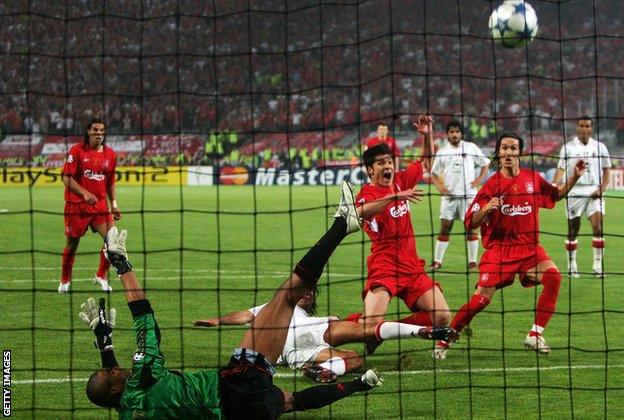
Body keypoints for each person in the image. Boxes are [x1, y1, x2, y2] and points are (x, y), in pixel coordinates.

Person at [81, 183, 387, 419]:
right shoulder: (143, 377)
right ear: (118, 386)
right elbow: (144, 320)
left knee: (292, 401)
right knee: (286, 297)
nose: (119, 369)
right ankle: (342, 224)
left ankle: (362, 384)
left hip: (245, 412)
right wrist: (122, 267)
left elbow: (115, 387)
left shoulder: (126, 411)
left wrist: (105, 345)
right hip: (238, 384)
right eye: (115, 372)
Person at [433, 133, 587, 359]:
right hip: (500, 251)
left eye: (513, 148)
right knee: (480, 301)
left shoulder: (533, 179)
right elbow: (470, 222)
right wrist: (486, 209)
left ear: (520, 153)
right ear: (499, 153)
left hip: (529, 248)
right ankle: (444, 340)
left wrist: (574, 176)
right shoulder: (491, 185)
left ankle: (535, 334)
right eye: (504, 148)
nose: (508, 152)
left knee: (553, 276)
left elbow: (557, 194)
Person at [194, 287, 456, 383]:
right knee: (361, 329)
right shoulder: (277, 306)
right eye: (305, 290)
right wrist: (219, 320)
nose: (308, 293)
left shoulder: (289, 310)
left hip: (293, 353)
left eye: (311, 292)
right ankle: (420, 331)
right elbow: (244, 315)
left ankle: (325, 370)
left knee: (355, 360)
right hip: (298, 335)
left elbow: (246, 316)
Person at [353, 115, 452, 355]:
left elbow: (425, 161)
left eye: (389, 161)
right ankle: (343, 327)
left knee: (442, 316)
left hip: (411, 267)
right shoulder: (366, 193)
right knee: (367, 327)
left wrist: (427, 135)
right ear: (369, 169)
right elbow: (360, 212)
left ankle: (384, 331)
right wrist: (393, 197)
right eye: (380, 163)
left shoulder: (400, 180)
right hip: (384, 266)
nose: (388, 166)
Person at [59, 119, 120, 293]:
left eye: (102, 131)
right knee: (72, 245)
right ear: (88, 131)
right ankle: (65, 280)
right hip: (76, 207)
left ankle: (101, 275)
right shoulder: (76, 151)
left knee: (113, 242)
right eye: (95, 130)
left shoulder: (110, 155)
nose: (99, 134)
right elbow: (66, 177)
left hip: (100, 208)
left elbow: (110, 182)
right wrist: (84, 193)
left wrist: (114, 204)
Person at [552, 116, 612, 278]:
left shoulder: (600, 147)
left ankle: (598, 267)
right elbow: (561, 170)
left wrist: (602, 188)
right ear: (577, 128)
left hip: (594, 192)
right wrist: (554, 186)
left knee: (598, 228)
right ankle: (572, 266)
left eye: (587, 126)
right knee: (573, 230)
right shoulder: (568, 148)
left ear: (591, 128)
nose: (584, 129)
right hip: (574, 192)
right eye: (581, 126)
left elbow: (607, 169)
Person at [430, 120, 490, 270]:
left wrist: (479, 179)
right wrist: (440, 187)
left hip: (468, 196)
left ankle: (472, 262)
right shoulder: (443, 151)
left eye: (457, 132)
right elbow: (434, 173)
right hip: (449, 197)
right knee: (445, 227)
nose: (455, 134)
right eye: (452, 132)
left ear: (461, 133)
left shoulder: (470, 147)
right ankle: (437, 261)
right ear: (448, 134)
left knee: (471, 228)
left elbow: (485, 163)